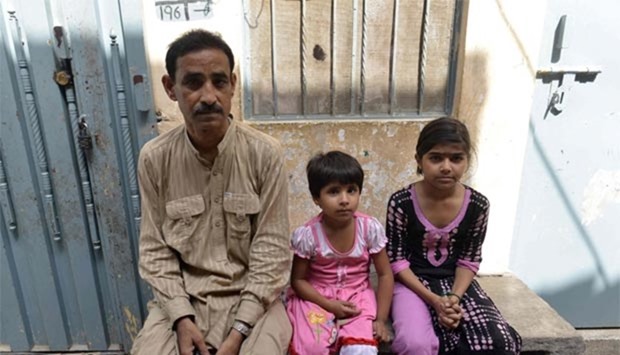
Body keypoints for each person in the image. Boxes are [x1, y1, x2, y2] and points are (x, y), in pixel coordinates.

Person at [130, 29, 292, 355]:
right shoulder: (155, 158)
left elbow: (271, 254)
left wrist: (237, 334)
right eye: (193, 82)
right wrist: (180, 318)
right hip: (182, 301)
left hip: (253, 302)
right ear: (170, 88)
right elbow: (155, 251)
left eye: (219, 82)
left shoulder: (265, 153)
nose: (208, 96)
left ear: (232, 84)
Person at [385, 117, 522, 354]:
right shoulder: (402, 202)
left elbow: (469, 259)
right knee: (415, 344)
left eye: (456, 158)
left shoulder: (477, 205)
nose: (446, 167)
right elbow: (396, 261)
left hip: (457, 283)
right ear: (419, 160)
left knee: (498, 341)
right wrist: (435, 301)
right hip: (411, 283)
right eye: (436, 158)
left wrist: (453, 299)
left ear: (467, 160)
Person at [286, 151, 394, 355]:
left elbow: (385, 274)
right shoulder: (309, 235)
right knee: (312, 347)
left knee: (361, 349)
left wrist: (381, 319)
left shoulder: (368, 228)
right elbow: (298, 281)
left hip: (357, 297)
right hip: (317, 298)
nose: (345, 200)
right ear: (317, 198)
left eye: (351, 190)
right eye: (334, 192)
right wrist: (329, 305)